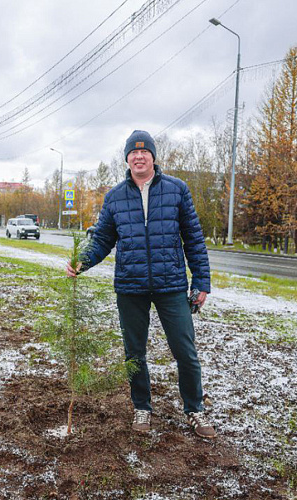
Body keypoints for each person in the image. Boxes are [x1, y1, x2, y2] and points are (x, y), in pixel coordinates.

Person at [66, 130, 215, 439]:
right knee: (134, 353)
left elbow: (194, 240)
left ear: (153, 157)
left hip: (171, 285)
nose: (138, 157)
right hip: (131, 287)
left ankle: (195, 410)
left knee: (185, 351)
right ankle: (142, 408)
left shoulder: (177, 190)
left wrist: (201, 281)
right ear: (127, 159)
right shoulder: (115, 196)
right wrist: (82, 261)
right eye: (133, 153)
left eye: (144, 152)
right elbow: (103, 240)